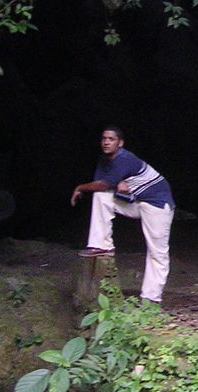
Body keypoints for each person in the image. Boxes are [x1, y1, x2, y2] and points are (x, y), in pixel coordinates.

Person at [71, 126, 175, 305]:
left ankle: (151, 299)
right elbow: (101, 184)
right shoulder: (104, 160)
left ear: (120, 143)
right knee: (101, 197)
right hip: (136, 202)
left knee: (157, 252)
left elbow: (104, 183)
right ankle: (101, 245)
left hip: (157, 205)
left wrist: (80, 187)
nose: (106, 142)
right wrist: (116, 182)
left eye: (111, 139)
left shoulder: (125, 158)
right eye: (104, 138)